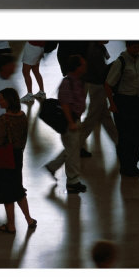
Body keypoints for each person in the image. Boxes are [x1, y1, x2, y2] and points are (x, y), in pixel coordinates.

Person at [0, 88, 37, 234]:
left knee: (7, 191)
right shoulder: (22, 116)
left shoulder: (3, 120)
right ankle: (29, 219)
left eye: (2, 98)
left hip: (5, 158)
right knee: (17, 188)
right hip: (18, 156)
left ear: (9, 101)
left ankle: (11, 225)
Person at [44, 55, 88, 194]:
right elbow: (65, 104)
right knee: (73, 154)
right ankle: (72, 182)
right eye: (82, 64)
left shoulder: (77, 81)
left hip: (75, 120)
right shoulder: (67, 83)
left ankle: (52, 167)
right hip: (70, 122)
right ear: (76, 67)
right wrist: (71, 123)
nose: (84, 66)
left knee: (72, 149)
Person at [105, 41, 139, 177]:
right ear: (128, 47)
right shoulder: (120, 62)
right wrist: (112, 103)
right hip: (123, 101)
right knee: (125, 136)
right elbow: (108, 84)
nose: (137, 49)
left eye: (138, 46)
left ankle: (133, 164)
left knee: (137, 135)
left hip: (135, 100)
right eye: (134, 46)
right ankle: (126, 166)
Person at [80, 41, 118, 158]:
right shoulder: (96, 51)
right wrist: (116, 66)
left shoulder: (97, 47)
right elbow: (102, 72)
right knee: (91, 120)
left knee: (105, 118)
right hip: (97, 87)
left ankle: (119, 144)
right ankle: (75, 145)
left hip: (96, 86)